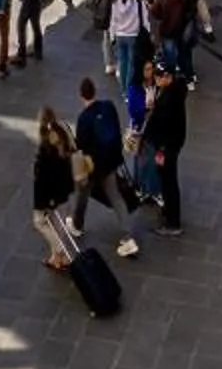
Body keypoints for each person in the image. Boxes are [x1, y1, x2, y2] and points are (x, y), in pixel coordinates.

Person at [69, 76, 136, 253]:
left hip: (94, 165)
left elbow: (81, 145)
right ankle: (128, 236)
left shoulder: (84, 118)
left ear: (81, 95)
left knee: (83, 191)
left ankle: (77, 224)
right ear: (94, 91)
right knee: (115, 197)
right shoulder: (108, 106)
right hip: (111, 160)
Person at [140, 59, 189, 235]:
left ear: (168, 77)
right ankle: (169, 212)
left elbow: (165, 125)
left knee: (169, 182)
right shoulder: (172, 91)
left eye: (159, 76)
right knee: (167, 180)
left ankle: (172, 223)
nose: (156, 79)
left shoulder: (169, 99)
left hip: (167, 146)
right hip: (171, 143)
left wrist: (161, 149)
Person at [31, 109, 79, 267]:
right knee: (58, 225)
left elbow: (42, 179)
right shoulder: (63, 130)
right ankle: (56, 259)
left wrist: (42, 204)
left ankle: (61, 251)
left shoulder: (45, 147)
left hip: (51, 194)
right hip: (65, 187)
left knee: (40, 222)